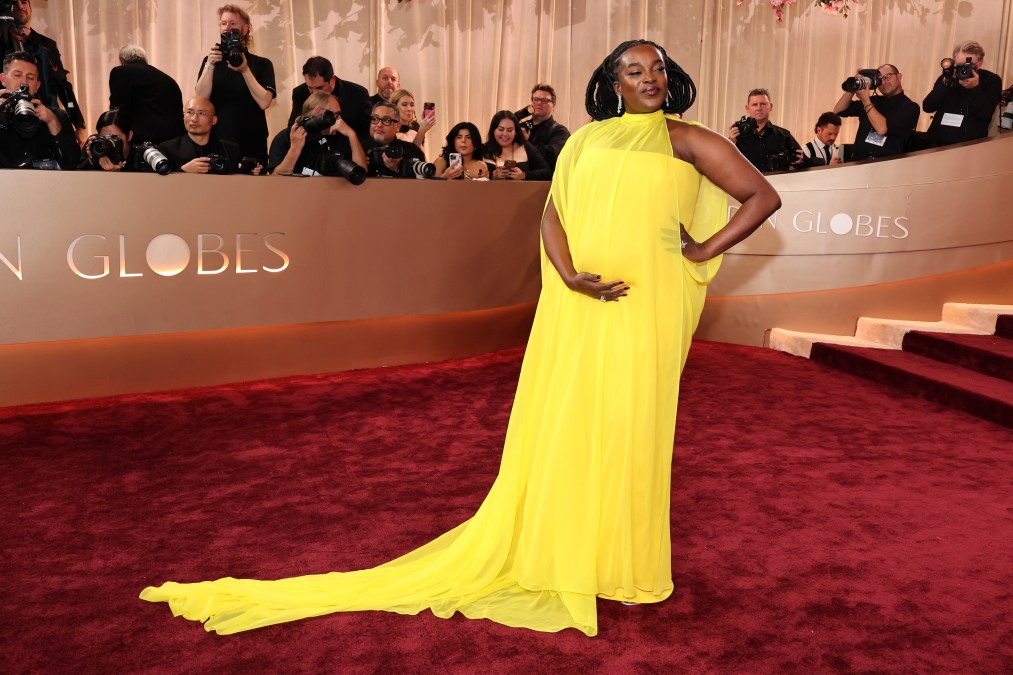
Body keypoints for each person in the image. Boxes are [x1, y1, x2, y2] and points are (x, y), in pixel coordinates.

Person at [140, 38, 780, 637]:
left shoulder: (687, 140)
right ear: (612, 83)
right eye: (634, 71)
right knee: (573, 420)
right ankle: (569, 549)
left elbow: (760, 196)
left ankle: (620, 560)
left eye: (657, 69)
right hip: (581, 299)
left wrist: (700, 249)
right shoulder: (586, 141)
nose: (649, 80)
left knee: (631, 421)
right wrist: (567, 277)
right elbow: (553, 214)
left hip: (649, 304)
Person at [195, 4, 276, 164]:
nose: (227, 28)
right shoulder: (210, 61)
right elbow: (201, 99)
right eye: (223, 23)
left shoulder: (262, 64)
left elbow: (264, 102)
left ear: (245, 29)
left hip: (252, 141)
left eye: (233, 24)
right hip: (217, 141)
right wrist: (210, 65)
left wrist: (245, 70)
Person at [1, 0, 87, 145]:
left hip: (47, 117)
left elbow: (63, 85)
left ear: (30, 8)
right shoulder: (3, 42)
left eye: (24, 2)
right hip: (10, 121)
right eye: (15, 3)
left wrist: (79, 123)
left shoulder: (47, 45)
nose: (20, 6)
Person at [0, 52, 78, 169]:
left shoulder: (56, 116)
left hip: (43, 185)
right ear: (3, 79)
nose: (24, 83)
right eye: (17, 75)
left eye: (30, 77)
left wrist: (52, 122)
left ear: (37, 85)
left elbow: (72, 163)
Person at [922, 41, 1002, 147]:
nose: (962, 69)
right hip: (936, 142)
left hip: (968, 146)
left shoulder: (991, 80)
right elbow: (928, 107)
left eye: (968, 65)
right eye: (958, 65)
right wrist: (946, 81)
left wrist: (974, 88)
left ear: (980, 63)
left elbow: (985, 115)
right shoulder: (947, 78)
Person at [833, 64, 919, 160]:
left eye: (887, 77)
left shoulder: (910, 107)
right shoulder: (874, 100)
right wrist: (855, 86)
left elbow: (882, 129)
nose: (883, 82)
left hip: (885, 166)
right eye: (879, 80)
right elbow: (839, 110)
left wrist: (866, 101)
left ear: (899, 76)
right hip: (858, 162)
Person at [269, 92, 366, 175]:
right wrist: (295, 149)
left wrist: (351, 134)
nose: (339, 120)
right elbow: (276, 180)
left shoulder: (340, 136)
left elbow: (360, 174)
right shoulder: (287, 137)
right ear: (319, 112)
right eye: (336, 115)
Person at [108, 44, 185, 146]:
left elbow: (118, 108)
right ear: (145, 59)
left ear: (122, 61)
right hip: (175, 141)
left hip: (143, 142)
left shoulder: (121, 72)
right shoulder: (168, 79)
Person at [157, 96, 249, 174]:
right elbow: (161, 186)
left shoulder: (229, 149)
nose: (194, 119)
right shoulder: (167, 148)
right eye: (190, 112)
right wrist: (183, 171)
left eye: (201, 113)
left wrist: (249, 171)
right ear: (183, 116)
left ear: (214, 120)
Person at [286, 56, 371, 140]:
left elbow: (367, 133)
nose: (314, 93)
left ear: (332, 80)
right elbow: (292, 128)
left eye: (319, 88)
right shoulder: (299, 92)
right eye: (309, 87)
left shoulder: (358, 93)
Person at [727, 88, 803, 172]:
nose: (759, 108)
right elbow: (724, 163)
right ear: (747, 108)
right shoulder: (737, 136)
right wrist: (731, 143)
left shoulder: (784, 135)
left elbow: (802, 160)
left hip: (778, 184)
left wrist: (800, 161)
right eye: (754, 104)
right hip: (746, 184)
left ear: (771, 106)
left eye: (763, 104)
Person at [362, 101, 426, 177]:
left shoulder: (411, 151)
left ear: (398, 126)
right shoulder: (359, 149)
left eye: (386, 120)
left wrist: (398, 169)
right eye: (375, 119)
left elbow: (420, 185)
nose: (379, 125)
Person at [483, 109, 549, 180]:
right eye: (501, 129)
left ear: (516, 131)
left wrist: (524, 175)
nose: (505, 134)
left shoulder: (526, 147)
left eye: (510, 130)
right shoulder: (482, 149)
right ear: (493, 130)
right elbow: (471, 175)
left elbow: (547, 173)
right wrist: (492, 175)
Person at [518, 83, 570, 174]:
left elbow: (553, 157)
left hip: (544, 185)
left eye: (545, 100)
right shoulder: (522, 127)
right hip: (514, 183)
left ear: (553, 104)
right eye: (536, 99)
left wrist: (526, 142)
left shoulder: (560, 132)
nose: (539, 103)